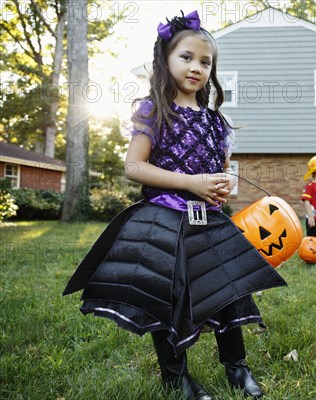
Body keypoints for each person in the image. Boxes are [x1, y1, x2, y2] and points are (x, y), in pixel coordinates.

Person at [63, 11, 286, 400]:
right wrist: (190, 184)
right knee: (169, 297)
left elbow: (223, 174)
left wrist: (220, 189)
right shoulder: (153, 110)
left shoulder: (219, 123)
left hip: (209, 222)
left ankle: (237, 368)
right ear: (165, 59)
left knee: (226, 291)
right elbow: (134, 166)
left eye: (205, 61)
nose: (196, 67)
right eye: (187, 57)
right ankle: (176, 376)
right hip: (164, 220)